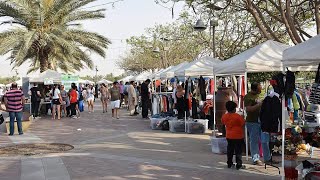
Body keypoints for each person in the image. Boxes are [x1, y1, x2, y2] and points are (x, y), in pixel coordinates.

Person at [222, 101, 246, 170]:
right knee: (238, 151)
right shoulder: (237, 116)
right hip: (238, 136)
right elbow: (243, 123)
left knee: (230, 150)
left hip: (229, 136)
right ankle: (239, 164)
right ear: (234, 109)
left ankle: (229, 163)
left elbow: (223, 124)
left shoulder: (224, 116)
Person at [244, 82, 263, 166]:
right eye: (259, 88)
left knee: (261, 140)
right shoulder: (248, 97)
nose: (261, 89)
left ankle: (263, 157)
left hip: (259, 121)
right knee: (254, 141)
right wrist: (259, 105)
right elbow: (248, 109)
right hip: (252, 122)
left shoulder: (257, 95)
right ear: (255, 88)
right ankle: (255, 159)